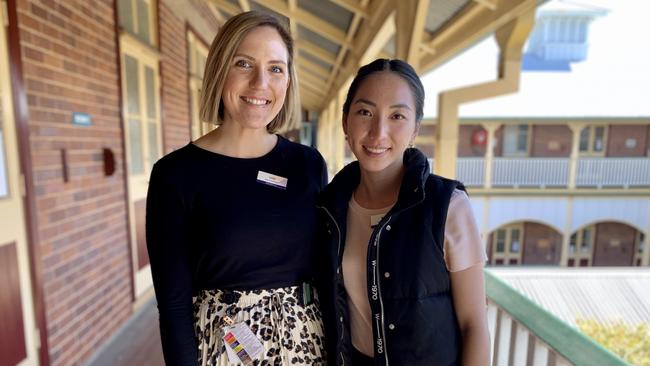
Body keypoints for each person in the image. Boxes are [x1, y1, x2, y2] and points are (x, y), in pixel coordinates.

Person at [146, 11, 327, 366]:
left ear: (288, 80)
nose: (261, 83)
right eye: (244, 63)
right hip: (222, 350)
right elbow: (173, 304)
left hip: (307, 348)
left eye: (276, 68)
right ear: (219, 70)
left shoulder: (307, 166)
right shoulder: (175, 174)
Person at [317, 59, 490, 365]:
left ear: (415, 129)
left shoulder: (448, 205)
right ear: (345, 122)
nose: (378, 131)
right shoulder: (330, 207)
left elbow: (474, 325)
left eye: (397, 115)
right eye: (365, 112)